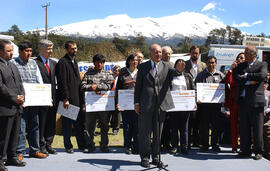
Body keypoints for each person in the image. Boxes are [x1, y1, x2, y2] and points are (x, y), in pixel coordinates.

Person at [134, 44, 179, 168]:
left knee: (158, 133)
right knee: (145, 133)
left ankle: (156, 157)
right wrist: (136, 103)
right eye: (156, 52)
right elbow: (138, 86)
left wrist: (179, 69)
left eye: (160, 52)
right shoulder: (143, 67)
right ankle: (144, 157)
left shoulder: (167, 66)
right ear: (150, 54)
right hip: (146, 105)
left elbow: (176, 73)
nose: (159, 54)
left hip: (161, 105)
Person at [11, 41, 47, 160]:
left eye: (31, 51)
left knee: (34, 125)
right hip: (20, 101)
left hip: (34, 100)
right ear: (20, 51)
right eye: (27, 51)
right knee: (21, 127)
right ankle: (20, 151)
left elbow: (39, 80)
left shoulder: (33, 63)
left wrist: (44, 95)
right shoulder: (13, 63)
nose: (29, 53)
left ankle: (34, 150)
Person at [233, 45, 267, 160]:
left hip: (256, 102)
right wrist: (250, 80)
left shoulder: (262, 64)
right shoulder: (241, 65)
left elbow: (262, 76)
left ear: (254, 54)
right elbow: (236, 78)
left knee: (257, 128)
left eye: (247, 53)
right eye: (244, 52)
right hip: (243, 102)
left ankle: (258, 151)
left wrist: (246, 75)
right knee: (244, 128)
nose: (245, 54)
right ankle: (245, 150)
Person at [55, 40, 85, 153]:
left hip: (76, 98)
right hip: (67, 100)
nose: (75, 50)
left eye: (76, 48)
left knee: (78, 124)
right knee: (67, 125)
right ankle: (68, 146)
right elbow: (62, 82)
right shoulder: (62, 62)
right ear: (67, 49)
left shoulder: (74, 61)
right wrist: (65, 98)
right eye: (73, 49)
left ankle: (81, 145)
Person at [0, 40, 25, 171]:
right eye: (8, 51)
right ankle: (0, 160)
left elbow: (19, 83)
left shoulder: (12, 65)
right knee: (3, 136)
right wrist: (14, 98)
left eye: (11, 51)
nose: (11, 53)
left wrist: (22, 97)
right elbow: (1, 87)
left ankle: (11, 157)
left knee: (15, 133)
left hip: (17, 107)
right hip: (5, 108)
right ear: (0, 52)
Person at [81, 54, 114, 153]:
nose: (99, 64)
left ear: (103, 63)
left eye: (101, 62)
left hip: (103, 105)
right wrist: (91, 87)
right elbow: (82, 86)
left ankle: (104, 145)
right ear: (94, 63)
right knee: (89, 126)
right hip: (91, 105)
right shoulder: (88, 74)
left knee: (104, 126)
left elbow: (110, 85)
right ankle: (90, 145)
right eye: (97, 62)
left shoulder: (108, 74)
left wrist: (98, 87)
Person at [195, 56, 224, 152]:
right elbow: (196, 89)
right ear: (206, 64)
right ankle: (204, 145)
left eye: (213, 62)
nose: (211, 64)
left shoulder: (220, 75)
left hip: (216, 106)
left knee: (216, 126)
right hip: (204, 106)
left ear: (216, 63)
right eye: (209, 62)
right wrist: (197, 98)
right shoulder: (201, 75)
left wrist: (223, 98)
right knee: (204, 126)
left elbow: (225, 89)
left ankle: (215, 144)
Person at [35, 39, 57, 155]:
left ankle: (49, 143)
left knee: (51, 122)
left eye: (51, 48)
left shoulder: (53, 63)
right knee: (41, 123)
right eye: (49, 49)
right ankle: (41, 144)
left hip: (53, 98)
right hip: (40, 99)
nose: (51, 51)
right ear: (41, 49)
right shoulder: (34, 63)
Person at [169, 59, 195, 155]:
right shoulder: (170, 76)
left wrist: (194, 101)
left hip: (185, 105)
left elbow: (193, 89)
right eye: (179, 64)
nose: (181, 66)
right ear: (175, 65)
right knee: (174, 127)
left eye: (183, 65)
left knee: (184, 128)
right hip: (173, 105)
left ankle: (184, 146)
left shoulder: (188, 76)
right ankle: (174, 146)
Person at [116, 54, 139, 155]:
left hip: (138, 104)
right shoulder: (123, 73)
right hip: (125, 105)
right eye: (133, 60)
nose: (135, 62)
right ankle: (128, 146)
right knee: (127, 126)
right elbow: (118, 90)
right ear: (129, 61)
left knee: (137, 126)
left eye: (137, 60)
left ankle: (137, 146)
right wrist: (118, 103)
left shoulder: (141, 72)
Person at [185, 45, 206, 148]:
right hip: (187, 96)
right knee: (188, 121)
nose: (195, 55)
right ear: (190, 53)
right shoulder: (184, 65)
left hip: (200, 97)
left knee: (198, 121)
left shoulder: (203, 65)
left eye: (196, 53)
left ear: (199, 54)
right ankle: (187, 142)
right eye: (193, 53)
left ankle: (197, 142)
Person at [224, 52, 245, 153]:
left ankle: (244, 146)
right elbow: (228, 81)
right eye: (238, 58)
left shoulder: (247, 70)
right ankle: (234, 146)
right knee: (233, 125)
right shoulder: (233, 71)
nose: (240, 59)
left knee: (244, 125)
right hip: (233, 102)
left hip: (244, 101)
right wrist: (231, 69)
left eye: (242, 58)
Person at [160, 46, 174, 152]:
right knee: (159, 123)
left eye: (169, 53)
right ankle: (158, 143)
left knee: (169, 123)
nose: (167, 55)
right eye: (165, 53)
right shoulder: (157, 65)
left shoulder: (173, 66)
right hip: (159, 99)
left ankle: (167, 143)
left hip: (171, 98)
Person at [108, 65, 121, 135]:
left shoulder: (121, 78)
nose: (116, 71)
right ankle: (106, 128)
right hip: (109, 97)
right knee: (108, 113)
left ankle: (116, 129)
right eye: (115, 70)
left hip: (118, 97)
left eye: (118, 70)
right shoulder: (109, 77)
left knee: (117, 114)